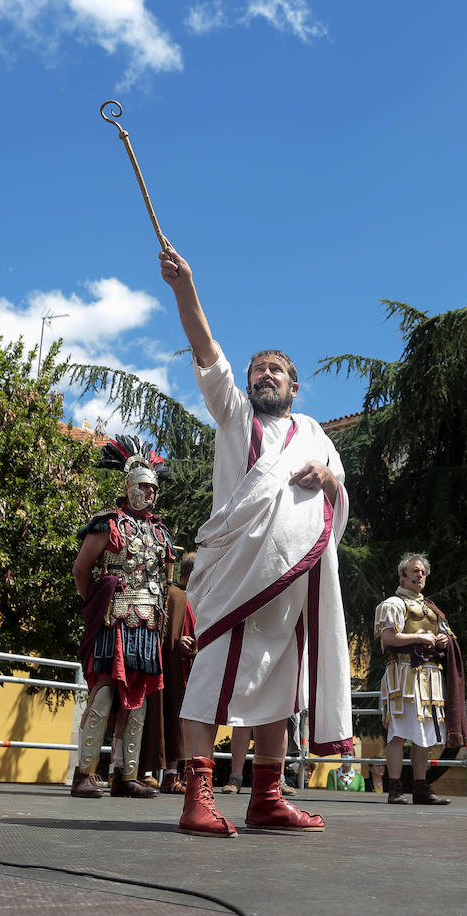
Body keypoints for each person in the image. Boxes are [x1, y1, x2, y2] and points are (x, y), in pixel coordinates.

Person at [160, 244, 352, 838]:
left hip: (294, 581)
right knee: (212, 674)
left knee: (281, 685)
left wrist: (327, 478)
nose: (263, 374)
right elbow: (205, 351)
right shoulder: (235, 418)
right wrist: (185, 288)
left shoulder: (315, 433)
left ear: (295, 387)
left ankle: (267, 797)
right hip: (236, 574)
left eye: (276, 370)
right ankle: (197, 797)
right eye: (256, 369)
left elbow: (339, 494)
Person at [70, 439, 175, 800]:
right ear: (129, 487)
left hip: (148, 623)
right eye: (143, 487)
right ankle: (84, 773)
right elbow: (81, 568)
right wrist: (93, 605)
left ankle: (125, 775)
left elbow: (165, 580)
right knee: (103, 696)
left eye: (153, 488)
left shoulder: (162, 532)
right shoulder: (107, 523)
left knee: (140, 701)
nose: (149, 493)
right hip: (114, 619)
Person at [375, 553, 467, 806]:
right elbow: (389, 639)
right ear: (402, 575)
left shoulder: (431, 608)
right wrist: (420, 638)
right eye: (415, 571)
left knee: (423, 736)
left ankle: (420, 788)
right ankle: (394, 789)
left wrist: (443, 640)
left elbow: (445, 635)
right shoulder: (392, 604)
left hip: (430, 677)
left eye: (423, 572)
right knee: (397, 733)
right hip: (402, 675)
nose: (420, 575)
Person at [157, 552, 198, 794]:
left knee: (179, 720)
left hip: (183, 665)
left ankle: (173, 774)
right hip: (169, 665)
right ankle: (167, 775)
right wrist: (176, 640)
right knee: (170, 717)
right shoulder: (173, 595)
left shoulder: (187, 596)